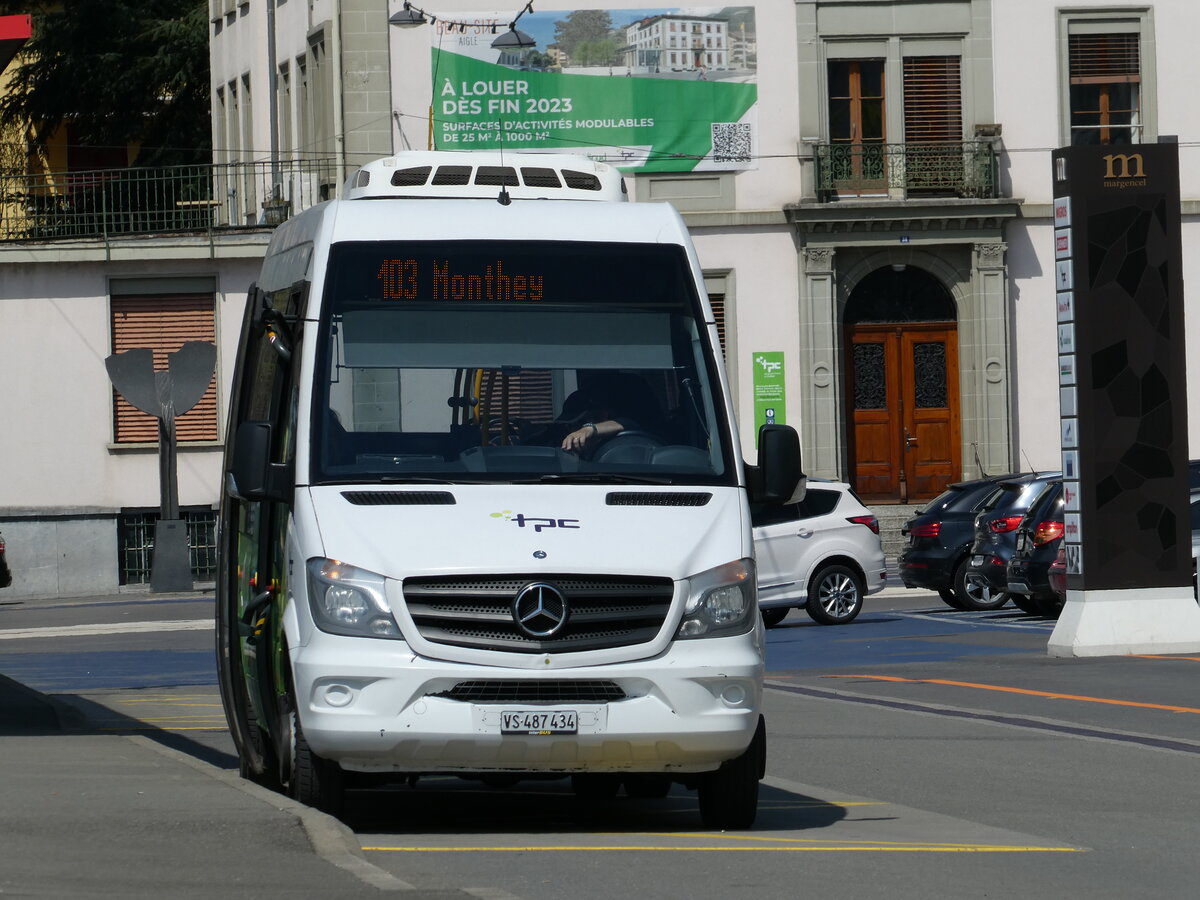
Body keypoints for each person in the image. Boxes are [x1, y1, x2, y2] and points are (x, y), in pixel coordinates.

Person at [557, 371, 660, 454]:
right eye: (569, 426)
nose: (573, 432)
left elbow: (627, 423)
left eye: (579, 424)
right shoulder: (570, 450)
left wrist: (589, 429)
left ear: (601, 415)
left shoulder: (632, 441)